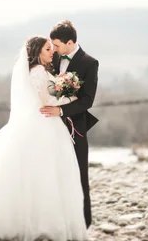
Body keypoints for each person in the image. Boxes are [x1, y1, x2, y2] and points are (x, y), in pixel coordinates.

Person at [0, 36, 89, 241]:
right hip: (43, 123)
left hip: (44, 122)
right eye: (48, 49)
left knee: (42, 170)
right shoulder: (38, 71)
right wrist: (69, 98)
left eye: (51, 48)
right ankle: (45, 223)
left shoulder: (42, 70)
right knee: (46, 170)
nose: (52, 52)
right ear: (38, 52)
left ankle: (38, 220)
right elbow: (45, 100)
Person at [40, 20, 99, 229]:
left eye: (56, 45)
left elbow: (87, 100)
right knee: (53, 172)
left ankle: (84, 222)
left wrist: (62, 109)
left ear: (70, 42)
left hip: (76, 127)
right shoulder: (52, 58)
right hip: (50, 126)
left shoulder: (90, 63)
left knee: (79, 172)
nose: (53, 49)